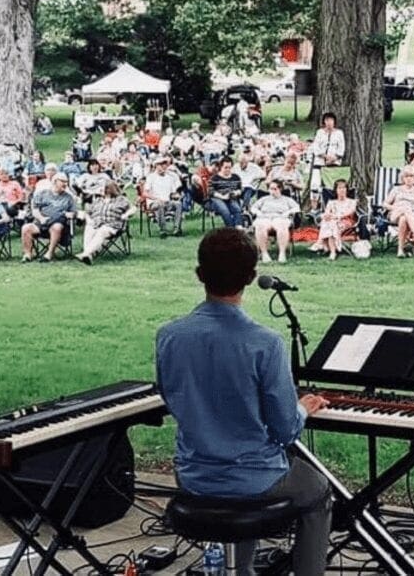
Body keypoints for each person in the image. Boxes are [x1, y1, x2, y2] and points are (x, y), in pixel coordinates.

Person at [155, 229, 332, 576]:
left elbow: (168, 394)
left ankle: (243, 569)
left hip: (192, 475)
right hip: (253, 478)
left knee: (254, 478)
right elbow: (284, 430)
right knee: (319, 491)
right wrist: (302, 408)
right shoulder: (265, 343)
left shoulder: (169, 336)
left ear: (199, 274)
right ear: (251, 278)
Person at [74, 181, 135, 264]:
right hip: (96, 223)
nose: (99, 190)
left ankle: (86, 253)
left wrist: (125, 215)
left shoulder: (121, 200)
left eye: (102, 188)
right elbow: (87, 212)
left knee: (102, 230)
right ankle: (88, 255)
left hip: (112, 225)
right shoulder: (98, 200)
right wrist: (89, 219)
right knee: (89, 227)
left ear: (109, 190)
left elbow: (133, 209)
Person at [21, 173, 76, 261]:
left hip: (57, 225)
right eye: (62, 181)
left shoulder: (68, 198)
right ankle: (28, 254)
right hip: (41, 223)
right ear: (55, 181)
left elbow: (73, 213)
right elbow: (35, 210)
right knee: (26, 228)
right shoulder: (42, 194)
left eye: (66, 182)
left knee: (57, 227)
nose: (65, 184)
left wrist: (69, 214)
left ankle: (49, 254)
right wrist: (41, 218)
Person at [382, 169, 414, 258]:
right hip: (395, 213)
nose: (409, 179)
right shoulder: (396, 189)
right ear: (403, 178)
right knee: (405, 210)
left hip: (410, 216)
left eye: (411, 177)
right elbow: (385, 204)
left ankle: (400, 251)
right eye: (406, 176)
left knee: (403, 219)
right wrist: (396, 208)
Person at [250, 181, 300, 263]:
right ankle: (264, 254)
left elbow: (297, 208)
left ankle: (282, 253)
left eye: (275, 189)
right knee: (260, 226)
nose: (272, 191)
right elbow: (253, 208)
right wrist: (259, 213)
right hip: (265, 217)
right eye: (270, 189)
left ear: (280, 189)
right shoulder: (264, 199)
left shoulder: (287, 199)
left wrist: (287, 213)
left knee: (282, 226)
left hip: (280, 217)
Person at [316, 179, 356, 260]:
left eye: (344, 188)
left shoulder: (352, 202)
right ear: (336, 190)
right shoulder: (331, 202)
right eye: (339, 188)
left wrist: (336, 217)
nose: (342, 190)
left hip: (346, 222)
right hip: (333, 222)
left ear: (347, 190)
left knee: (330, 223)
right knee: (329, 223)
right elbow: (327, 213)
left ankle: (324, 245)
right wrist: (327, 216)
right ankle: (333, 251)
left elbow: (350, 212)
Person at [144, 157, 184, 237]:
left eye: (165, 165)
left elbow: (173, 194)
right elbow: (145, 193)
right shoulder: (151, 177)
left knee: (178, 204)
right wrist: (156, 199)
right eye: (161, 165)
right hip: (154, 202)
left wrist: (177, 196)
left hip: (167, 201)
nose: (164, 167)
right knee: (159, 205)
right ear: (156, 166)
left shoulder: (169, 177)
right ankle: (163, 230)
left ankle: (177, 229)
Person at [208, 157, 244, 228]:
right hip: (217, 198)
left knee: (237, 208)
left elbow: (240, 189)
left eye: (229, 167)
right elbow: (211, 192)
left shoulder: (236, 177)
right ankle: (231, 228)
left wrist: (236, 192)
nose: (228, 169)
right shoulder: (214, 178)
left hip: (231, 197)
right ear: (221, 167)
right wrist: (223, 197)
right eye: (226, 167)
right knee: (224, 210)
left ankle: (238, 227)